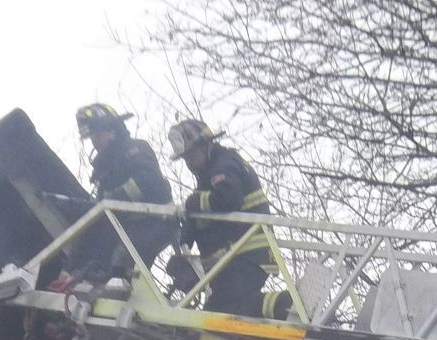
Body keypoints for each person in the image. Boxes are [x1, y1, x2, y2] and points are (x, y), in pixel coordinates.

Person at [168, 118, 278, 317]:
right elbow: (207, 214)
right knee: (218, 315)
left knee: (221, 313)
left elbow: (227, 199)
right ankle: (282, 308)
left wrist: (191, 203)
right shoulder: (210, 173)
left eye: (191, 156)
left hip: (248, 255)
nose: (189, 164)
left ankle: (284, 305)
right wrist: (185, 242)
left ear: (206, 146)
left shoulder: (224, 164)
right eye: (185, 159)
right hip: (241, 258)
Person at [62, 104, 173, 287]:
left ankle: (120, 285)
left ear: (112, 130)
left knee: (119, 265)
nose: (95, 142)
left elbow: (149, 181)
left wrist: (114, 198)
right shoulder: (104, 169)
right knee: (97, 258)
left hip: (155, 223)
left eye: (97, 135)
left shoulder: (136, 149)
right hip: (125, 227)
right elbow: (95, 220)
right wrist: (68, 268)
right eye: (92, 138)